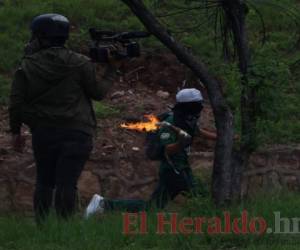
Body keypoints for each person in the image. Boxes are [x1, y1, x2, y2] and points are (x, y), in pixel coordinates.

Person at [9, 13, 117, 222]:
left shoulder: (27, 65)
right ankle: (64, 229)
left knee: (44, 182)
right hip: (78, 132)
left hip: (44, 132)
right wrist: (112, 69)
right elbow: (98, 93)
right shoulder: (80, 62)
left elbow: (16, 103)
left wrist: (16, 132)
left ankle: (42, 227)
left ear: (40, 36)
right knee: (67, 183)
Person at [85, 88, 217, 217]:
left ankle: (104, 204)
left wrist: (222, 137)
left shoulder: (187, 119)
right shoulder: (170, 123)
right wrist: (181, 144)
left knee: (153, 206)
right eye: (197, 105)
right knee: (199, 196)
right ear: (189, 105)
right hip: (172, 170)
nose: (200, 108)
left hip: (182, 167)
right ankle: (105, 204)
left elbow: (198, 131)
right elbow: (167, 149)